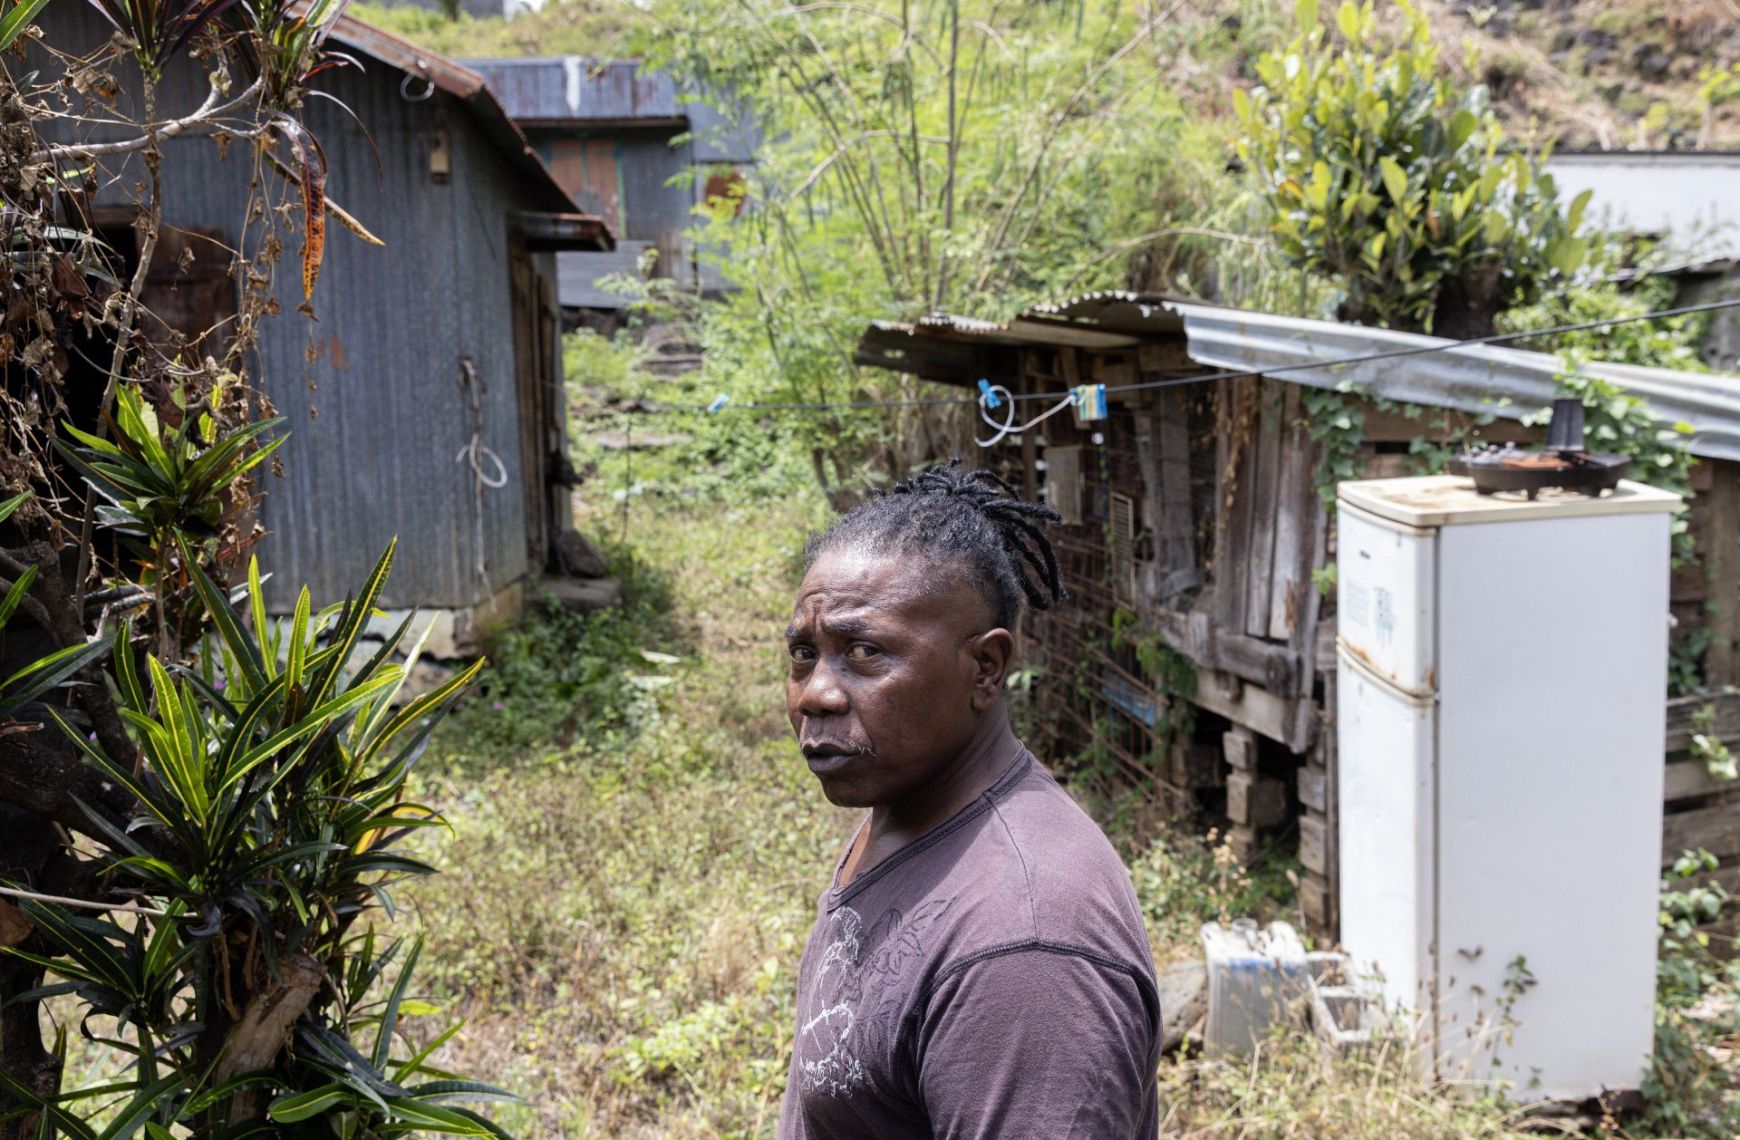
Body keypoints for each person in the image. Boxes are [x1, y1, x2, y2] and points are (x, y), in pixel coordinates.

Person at [777, 460, 1162, 1140]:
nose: (816, 693)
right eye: (804, 653)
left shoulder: (1027, 946)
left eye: (865, 651)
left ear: (985, 668)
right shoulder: (907, 808)